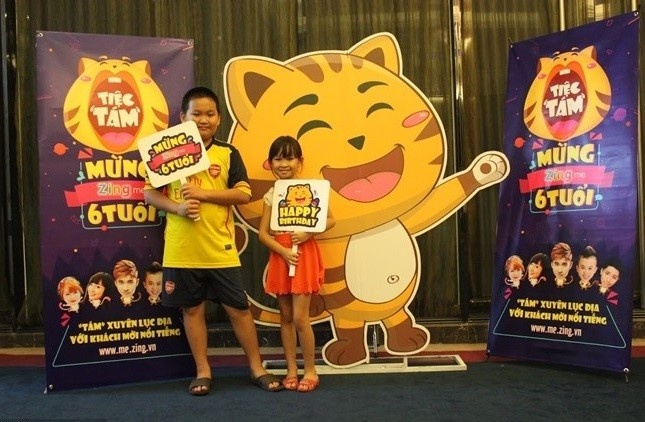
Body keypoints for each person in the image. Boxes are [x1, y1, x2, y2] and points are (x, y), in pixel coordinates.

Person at [143, 86, 283, 396]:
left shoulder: (227, 153)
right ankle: (203, 371)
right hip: (181, 250)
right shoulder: (165, 152)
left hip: (221, 249)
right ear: (183, 117)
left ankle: (257, 368)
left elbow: (244, 193)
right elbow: (149, 194)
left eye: (210, 114)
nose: (203, 119)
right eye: (196, 113)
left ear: (219, 118)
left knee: (239, 310)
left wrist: (203, 194)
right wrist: (178, 207)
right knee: (192, 310)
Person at [258, 135, 335, 393]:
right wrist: (282, 251)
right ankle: (291, 369)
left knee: (302, 317)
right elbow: (263, 234)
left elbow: (330, 220)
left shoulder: (313, 190)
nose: (283, 164)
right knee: (286, 316)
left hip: (303, 254)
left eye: (289, 158)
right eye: (277, 159)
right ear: (270, 163)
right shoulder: (272, 195)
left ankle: (310, 370)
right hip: (281, 256)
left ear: (300, 161)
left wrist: (307, 233)